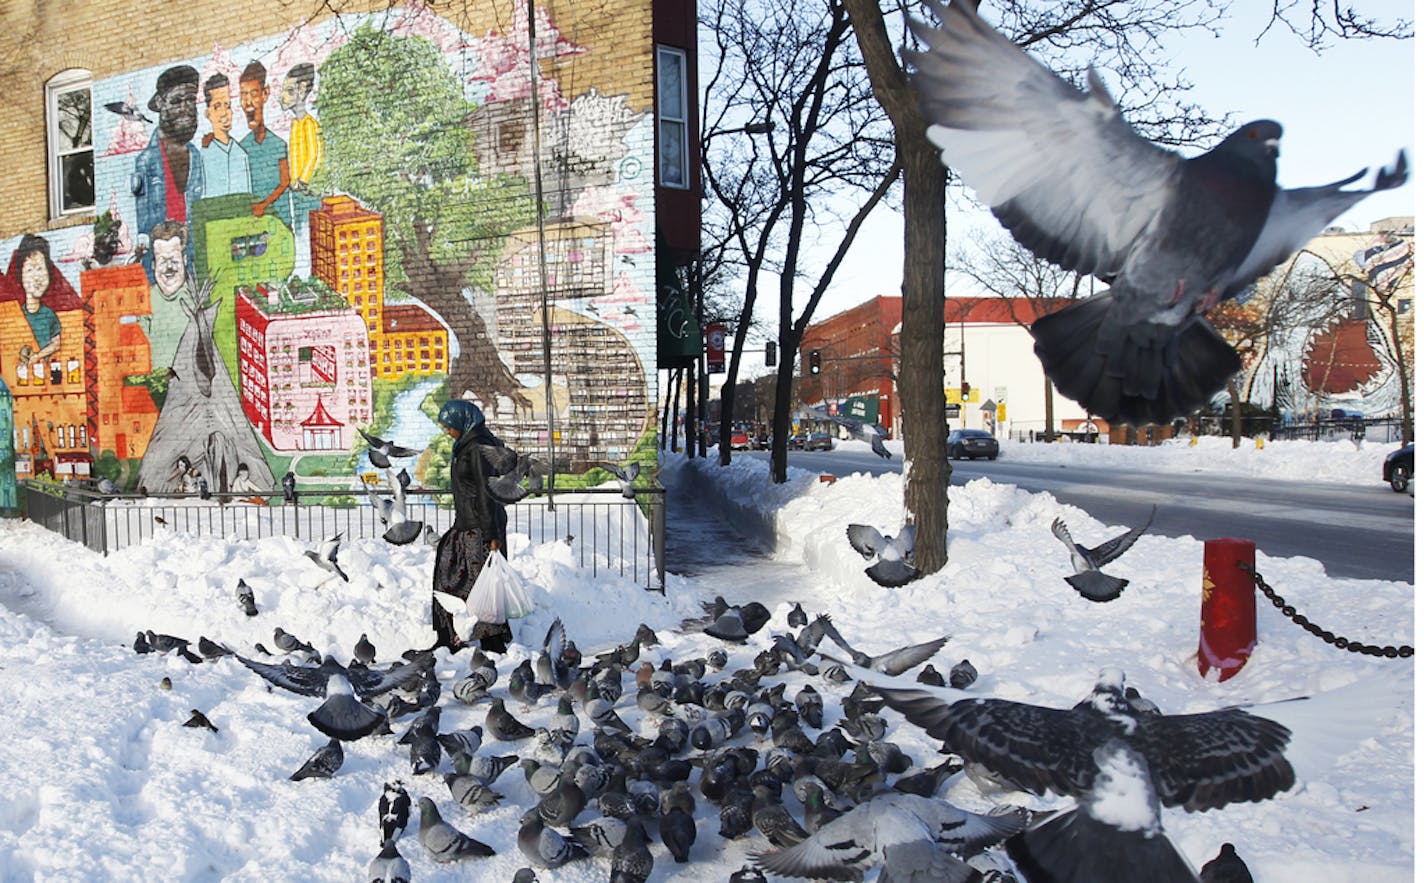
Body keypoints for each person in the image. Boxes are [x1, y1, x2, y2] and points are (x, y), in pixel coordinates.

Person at [430, 400, 512, 653]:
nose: (447, 431)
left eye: (449, 426)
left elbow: (486, 492)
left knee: (484, 585)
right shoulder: (467, 445)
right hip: (467, 524)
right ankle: (448, 638)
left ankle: (492, 641)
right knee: (448, 576)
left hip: (480, 528)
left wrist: (491, 535)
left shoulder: (477, 448)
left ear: (462, 422)